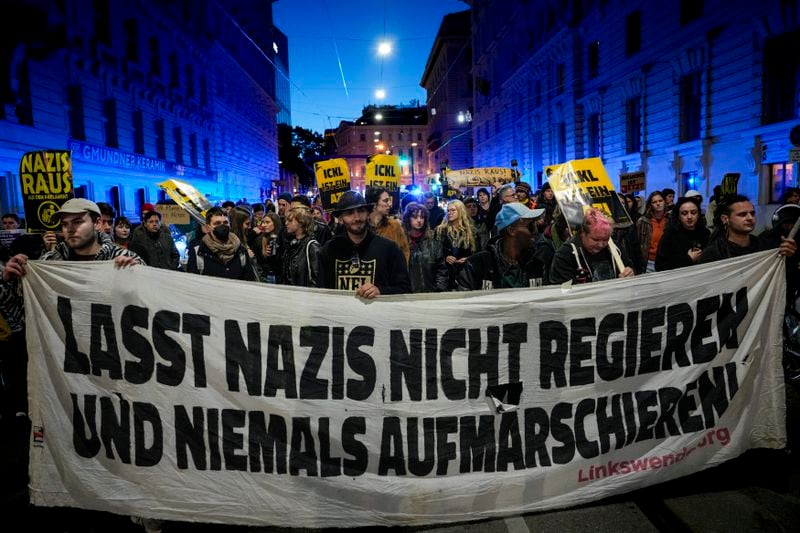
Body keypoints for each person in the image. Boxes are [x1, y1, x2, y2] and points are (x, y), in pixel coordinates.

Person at [317, 191, 410, 297]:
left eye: (361, 211)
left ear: (368, 213)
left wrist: (381, 291)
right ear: (341, 219)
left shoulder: (389, 249)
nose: (357, 218)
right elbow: (321, 293)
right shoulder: (329, 250)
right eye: (349, 213)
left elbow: (405, 289)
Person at [458, 203, 547, 290]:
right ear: (511, 230)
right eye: (530, 226)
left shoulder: (537, 263)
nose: (535, 232)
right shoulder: (477, 264)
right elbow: (464, 301)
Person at [698, 194, 797, 264]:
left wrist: (788, 256)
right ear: (725, 219)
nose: (750, 218)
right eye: (742, 214)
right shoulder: (713, 254)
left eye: (752, 213)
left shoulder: (767, 247)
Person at [550, 208, 635, 284]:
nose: (601, 244)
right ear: (583, 233)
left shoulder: (616, 248)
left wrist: (630, 273)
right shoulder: (565, 255)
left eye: (606, 239)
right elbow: (562, 289)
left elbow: (631, 268)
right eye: (596, 239)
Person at [186, 207, 258, 280]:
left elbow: (249, 279)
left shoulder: (240, 250)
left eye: (225, 223)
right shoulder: (198, 252)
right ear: (208, 228)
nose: (222, 226)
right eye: (217, 223)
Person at [655, 196, 710, 271]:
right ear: (679, 216)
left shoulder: (705, 233)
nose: (689, 217)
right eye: (684, 213)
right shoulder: (670, 236)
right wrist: (688, 259)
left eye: (693, 212)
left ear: (699, 214)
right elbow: (660, 266)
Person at [402, 202, 447, 292]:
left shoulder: (433, 242)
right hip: (408, 295)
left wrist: (439, 290)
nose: (419, 220)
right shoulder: (402, 242)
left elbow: (442, 270)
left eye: (422, 217)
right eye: (415, 217)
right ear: (408, 218)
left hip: (431, 294)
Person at [435, 199, 479, 290]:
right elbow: (435, 252)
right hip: (446, 274)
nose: (449, 213)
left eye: (453, 210)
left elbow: (478, 252)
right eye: (448, 210)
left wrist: (469, 259)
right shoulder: (440, 231)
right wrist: (445, 257)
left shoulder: (472, 231)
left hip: (466, 274)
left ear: (460, 211)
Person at [366, 186, 410, 264]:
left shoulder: (395, 225)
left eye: (389, 200)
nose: (390, 204)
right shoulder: (362, 227)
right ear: (374, 204)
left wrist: (400, 273)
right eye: (386, 201)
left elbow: (405, 252)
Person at [281, 206, 319, 287]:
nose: (286, 223)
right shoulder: (292, 244)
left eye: (290, 220)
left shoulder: (311, 246)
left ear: (301, 222)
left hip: (304, 296)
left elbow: (317, 279)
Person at [636, 190, 668, 272]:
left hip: (666, 261)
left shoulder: (671, 220)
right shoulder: (643, 221)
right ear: (651, 205)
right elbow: (637, 244)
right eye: (654, 202)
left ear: (664, 202)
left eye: (660, 201)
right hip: (649, 262)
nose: (658, 204)